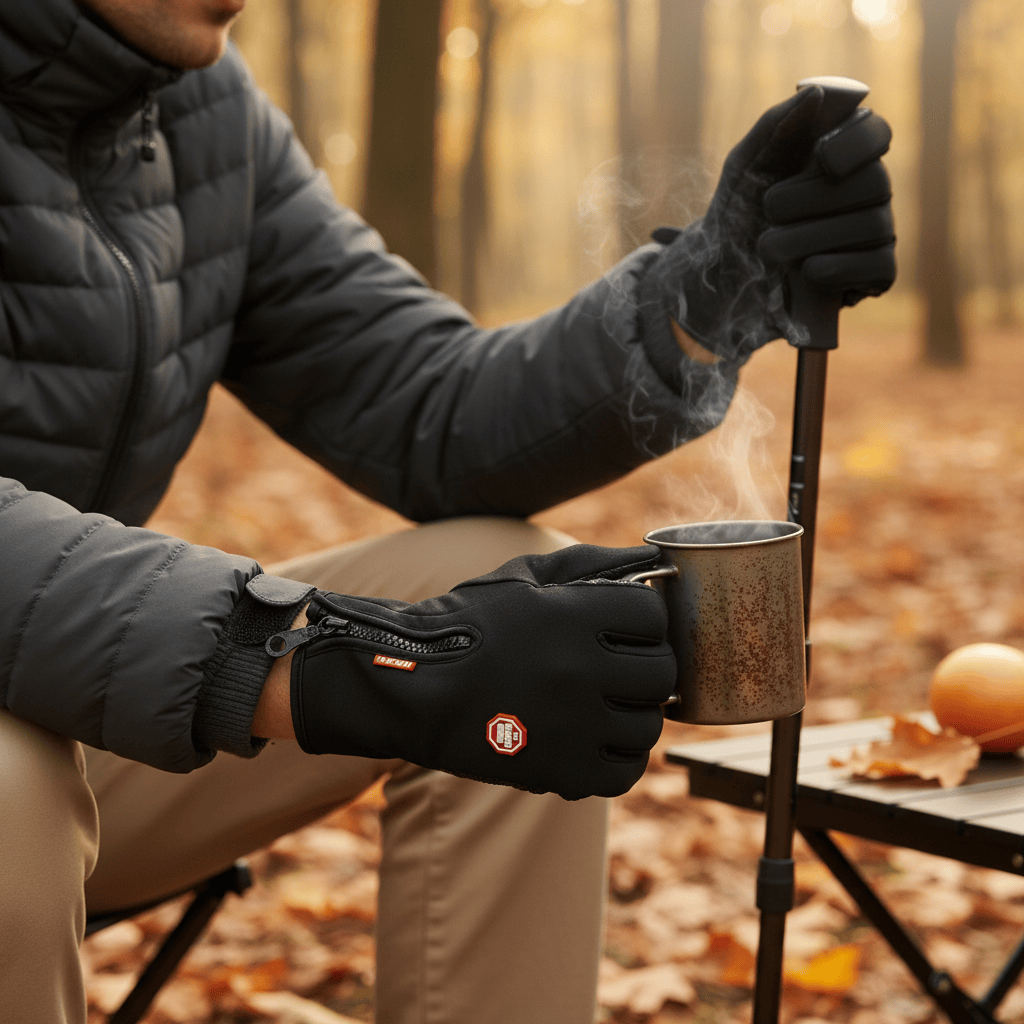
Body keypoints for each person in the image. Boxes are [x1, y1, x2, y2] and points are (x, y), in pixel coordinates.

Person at [0, 0, 895, 1021]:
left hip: (76, 716)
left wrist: (715, 284)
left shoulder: (197, 114)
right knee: (9, 790)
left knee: (524, 611)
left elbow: (427, 407)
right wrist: (317, 661)